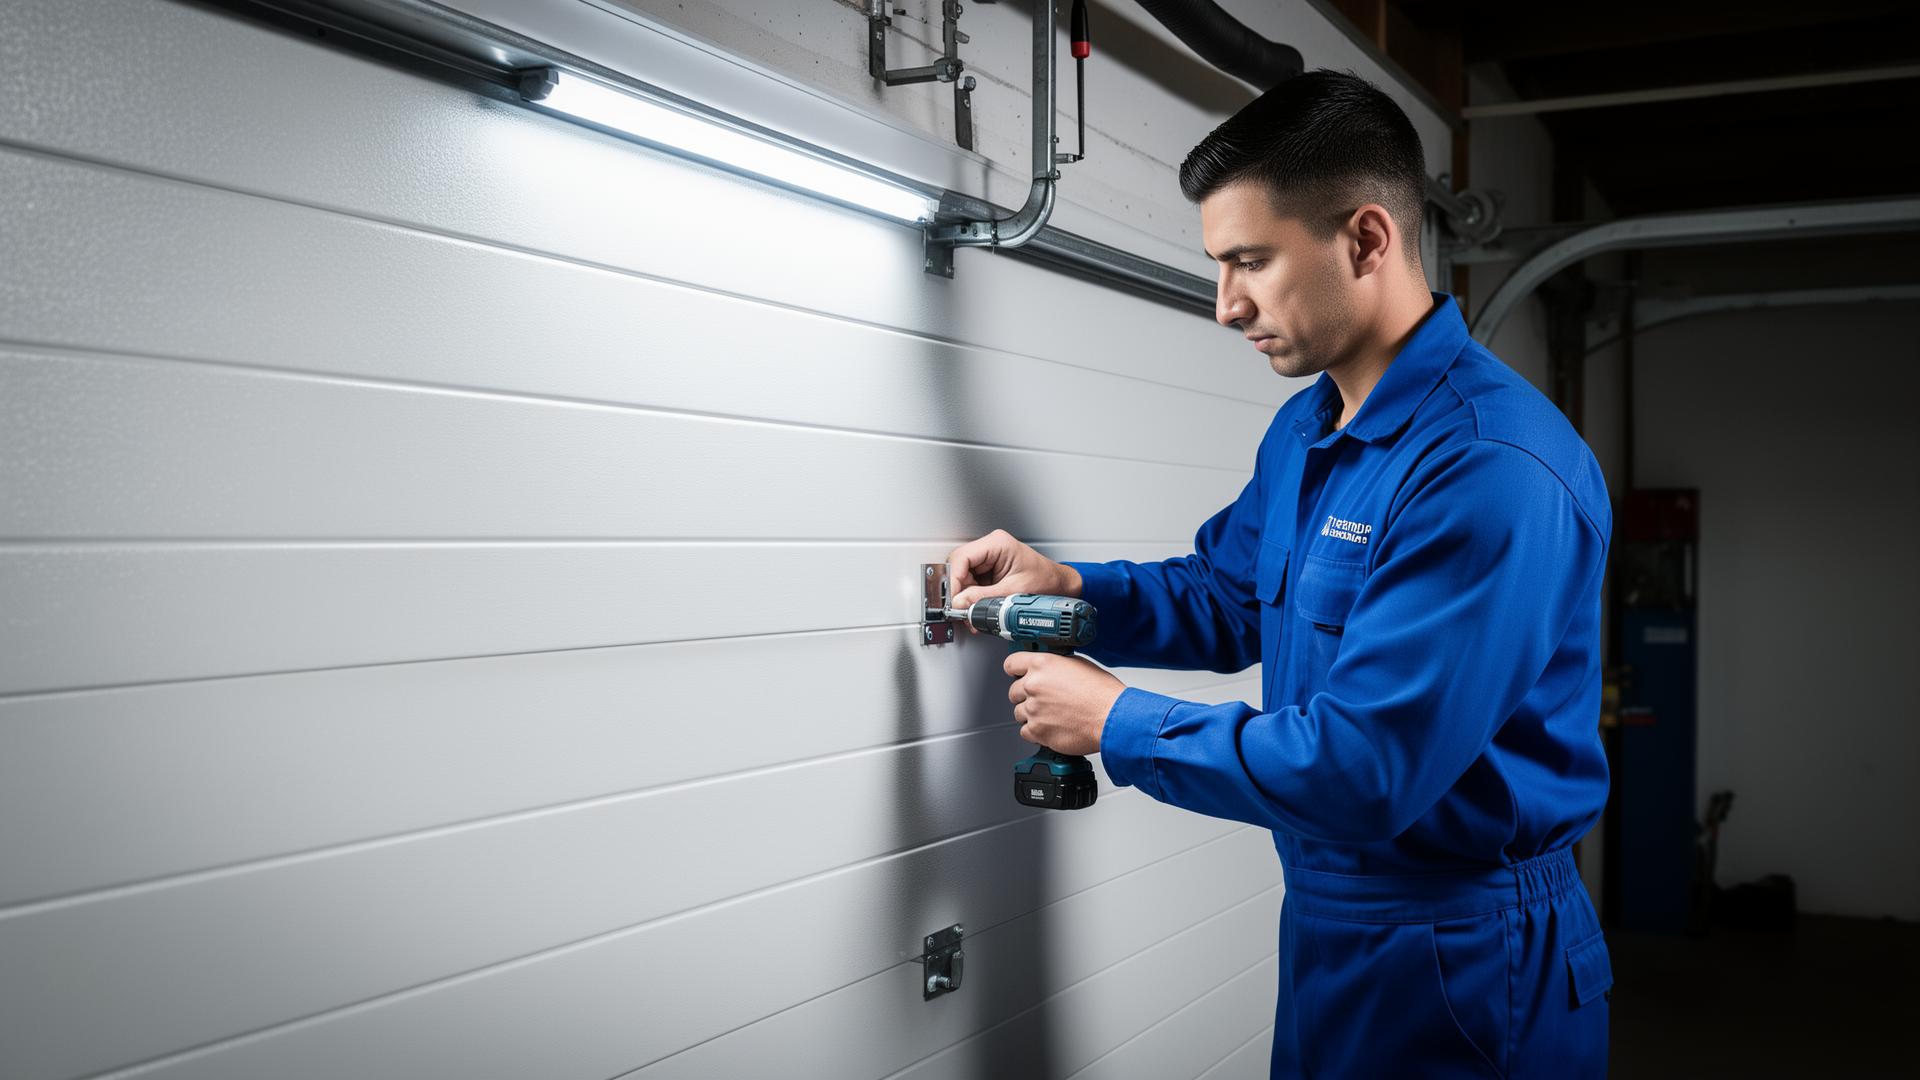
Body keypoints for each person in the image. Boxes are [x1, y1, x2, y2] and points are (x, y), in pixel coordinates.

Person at [947, 70, 1613, 1077]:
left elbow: (1364, 771)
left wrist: (1114, 722)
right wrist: (1069, 593)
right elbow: (1224, 596)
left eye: (1250, 261)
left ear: (1367, 240)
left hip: (1468, 951)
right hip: (1334, 924)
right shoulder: (1311, 428)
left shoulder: (1490, 469)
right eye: (1220, 266)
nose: (1225, 306)